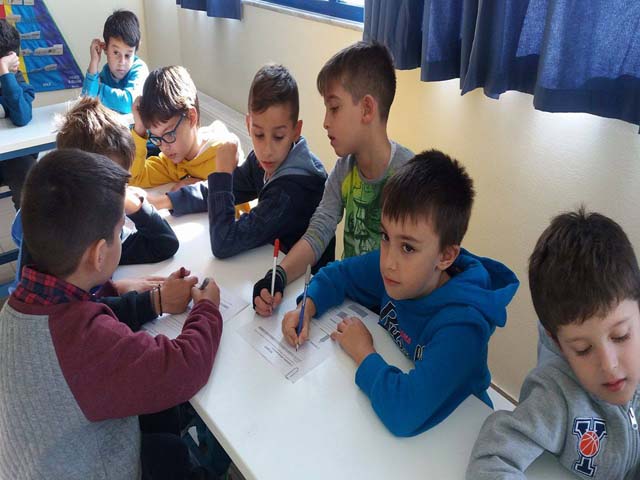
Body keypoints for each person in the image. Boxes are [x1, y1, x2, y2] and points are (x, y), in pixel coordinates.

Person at [0, 149, 223, 479]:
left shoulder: (15, 308)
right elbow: (185, 366)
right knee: (168, 437)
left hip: (41, 462)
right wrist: (207, 309)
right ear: (99, 255)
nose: (122, 235)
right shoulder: (85, 343)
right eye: (120, 231)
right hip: (98, 467)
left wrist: (139, 297)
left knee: (161, 427)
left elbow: (75, 328)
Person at [282, 150, 519, 436]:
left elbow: (404, 411)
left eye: (408, 247)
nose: (388, 261)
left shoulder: (464, 326)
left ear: (446, 256)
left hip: (457, 436)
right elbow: (338, 274)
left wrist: (364, 352)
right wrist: (307, 306)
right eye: (385, 237)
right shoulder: (399, 271)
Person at [466, 208, 640, 479]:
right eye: (583, 349)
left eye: (620, 336)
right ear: (557, 343)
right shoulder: (554, 396)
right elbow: (492, 459)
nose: (609, 365)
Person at [253, 41, 414, 315]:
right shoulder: (344, 170)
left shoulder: (409, 177)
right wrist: (279, 275)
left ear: (367, 109)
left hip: (394, 315)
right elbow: (320, 230)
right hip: (351, 302)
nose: (325, 122)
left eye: (334, 108)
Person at [148, 63, 335, 264]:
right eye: (259, 134)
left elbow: (223, 243)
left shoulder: (291, 192)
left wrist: (222, 173)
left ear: (296, 131)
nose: (267, 149)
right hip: (267, 265)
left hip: (302, 280)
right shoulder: (262, 161)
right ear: (248, 125)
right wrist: (163, 201)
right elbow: (219, 191)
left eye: (279, 136)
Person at [81, 9, 148, 114]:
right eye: (116, 53)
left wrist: (97, 89)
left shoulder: (139, 69)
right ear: (105, 48)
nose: (122, 62)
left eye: (128, 55)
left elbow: (128, 104)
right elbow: (85, 101)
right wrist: (94, 61)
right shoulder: (106, 72)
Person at [0, 19, 36, 211]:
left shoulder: (15, 77)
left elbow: (22, 116)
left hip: (12, 157)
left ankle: (29, 230)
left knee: (30, 184)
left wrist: (6, 74)